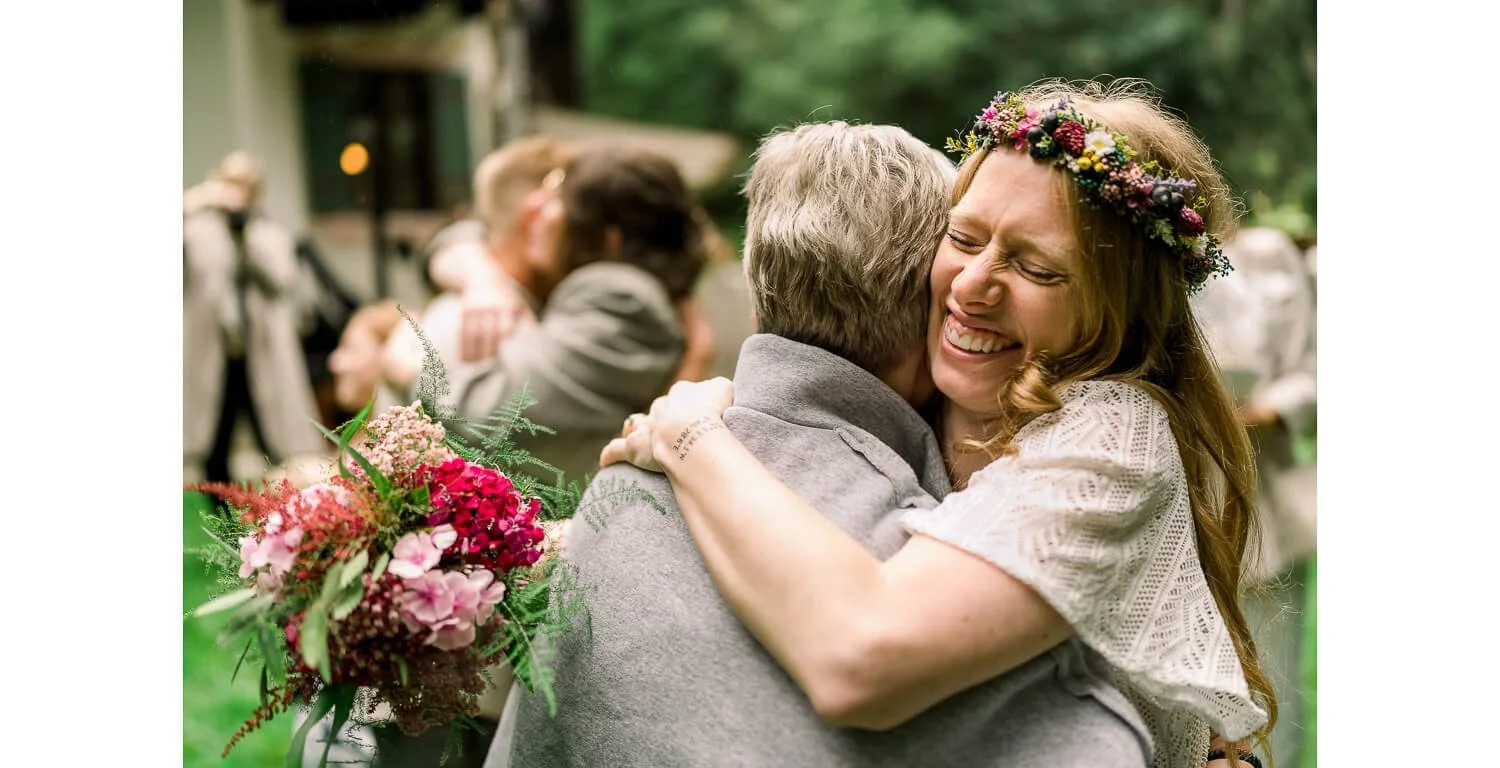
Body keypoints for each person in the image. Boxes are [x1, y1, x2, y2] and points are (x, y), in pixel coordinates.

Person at [602, 80, 1276, 768]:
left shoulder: (1115, 436)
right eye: (964, 237)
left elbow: (862, 660)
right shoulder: (907, 394)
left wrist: (692, 438)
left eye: (1036, 268)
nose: (969, 285)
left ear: (1122, 307)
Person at [488, 121, 1153, 768]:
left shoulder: (622, 499)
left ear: (757, 302)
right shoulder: (923, 554)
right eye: (965, 243)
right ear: (932, 307)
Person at [439, 143, 709, 485]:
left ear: (607, 239)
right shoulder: (614, 296)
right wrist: (479, 275)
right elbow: (470, 233)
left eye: (557, 200)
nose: (538, 212)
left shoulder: (623, 300)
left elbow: (486, 420)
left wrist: (406, 358)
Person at [1196, 225, 1317, 767]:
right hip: (1185, 493)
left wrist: (1269, 407)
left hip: (1266, 497)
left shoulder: (1268, 255)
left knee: (1270, 672)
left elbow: (1314, 368)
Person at [183, 150, 325, 485]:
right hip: (217, 353)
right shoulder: (198, 232)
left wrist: (245, 236)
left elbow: (283, 278)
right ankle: (218, 507)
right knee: (216, 435)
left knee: (274, 432)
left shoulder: (268, 233)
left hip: (262, 353)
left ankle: (282, 503)